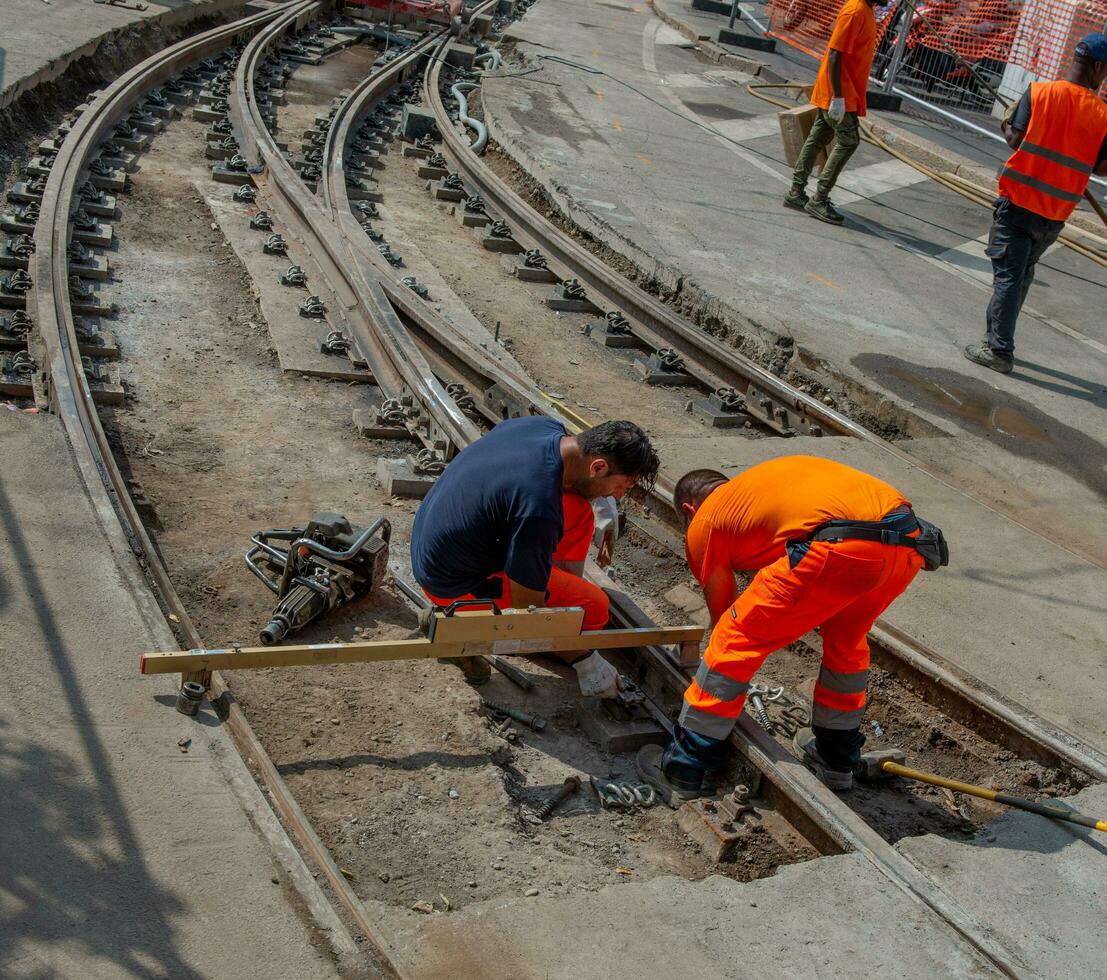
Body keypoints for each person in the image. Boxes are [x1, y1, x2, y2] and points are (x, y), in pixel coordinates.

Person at [636, 456, 947, 804]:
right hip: (908, 545)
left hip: (838, 545)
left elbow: (725, 617)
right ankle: (836, 761)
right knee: (847, 641)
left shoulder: (705, 521)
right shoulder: (764, 488)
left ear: (689, 510)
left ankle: (687, 766)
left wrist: (711, 677)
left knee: (733, 640)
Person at [410, 416, 659, 694]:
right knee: (594, 608)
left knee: (579, 513)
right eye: (620, 487)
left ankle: (547, 583)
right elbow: (528, 610)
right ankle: (463, 632)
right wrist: (584, 659)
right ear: (598, 467)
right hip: (451, 584)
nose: (618, 497)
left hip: (431, 540)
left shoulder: (542, 427)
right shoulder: (538, 509)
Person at [964, 33, 1107, 374]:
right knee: (1021, 274)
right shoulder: (1102, 114)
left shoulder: (1040, 93)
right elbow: (1101, 166)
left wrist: (1007, 121)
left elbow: (1015, 138)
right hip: (1055, 213)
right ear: (1098, 67)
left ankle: (999, 349)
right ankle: (999, 338)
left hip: (1018, 204)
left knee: (1010, 277)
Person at [784, 0, 882, 224]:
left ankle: (796, 192)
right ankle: (819, 199)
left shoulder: (866, 10)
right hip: (838, 93)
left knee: (818, 137)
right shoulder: (855, 11)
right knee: (849, 141)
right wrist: (837, 97)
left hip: (843, 92)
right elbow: (835, 54)